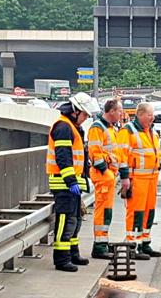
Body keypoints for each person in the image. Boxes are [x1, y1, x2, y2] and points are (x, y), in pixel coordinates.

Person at [46, 92, 100, 272]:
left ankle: (73, 253)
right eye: (84, 114)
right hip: (64, 184)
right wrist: (70, 181)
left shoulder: (73, 126)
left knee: (75, 220)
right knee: (65, 221)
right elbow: (63, 157)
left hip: (72, 183)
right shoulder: (63, 126)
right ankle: (61, 259)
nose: (85, 118)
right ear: (75, 111)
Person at [118, 102, 161, 260]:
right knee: (136, 212)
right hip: (137, 179)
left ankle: (145, 242)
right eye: (150, 115)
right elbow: (122, 156)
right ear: (140, 114)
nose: (153, 118)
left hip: (151, 179)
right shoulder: (128, 131)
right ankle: (132, 245)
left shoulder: (151, 131)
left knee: (149, 212)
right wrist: (125, 178)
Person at [89, 99, 123, 259]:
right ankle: (99, 245)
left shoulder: (110, 128)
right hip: (103, 175)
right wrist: (105, 171)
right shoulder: (98, 128)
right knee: (102, 211)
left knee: (107, 211)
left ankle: (103, 241)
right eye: (119, 111)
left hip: (108, 175)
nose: (122, 114)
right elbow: (95, 152)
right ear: (111, 111)